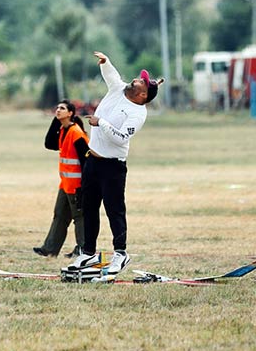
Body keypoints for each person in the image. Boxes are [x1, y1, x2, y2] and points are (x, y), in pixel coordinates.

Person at [68, 51, 163, 279]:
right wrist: (106, 62)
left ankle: (120, 253)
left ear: (142, 94)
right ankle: (88, 252)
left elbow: (121, 138)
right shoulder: (118, 89)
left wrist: (100, 123)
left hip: (113, 167)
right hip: (93, 160)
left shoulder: (138, 113)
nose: (137, 79)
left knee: (114, 211)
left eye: (141, 81)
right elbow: (112, 76)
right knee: (89, 208)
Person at [33, 100, 89, 258]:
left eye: (62, 108)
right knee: (60, 215)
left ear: (70, 113)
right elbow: (49, 143)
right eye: (57, 108)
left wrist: (86, 186)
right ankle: (50, 248)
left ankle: (83, 249)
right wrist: (56, 120)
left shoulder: (76, 133)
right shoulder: (64, 130)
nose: (58, 110)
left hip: (77, 185)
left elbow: (87, 161)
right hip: (65, 184)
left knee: (80, 217)